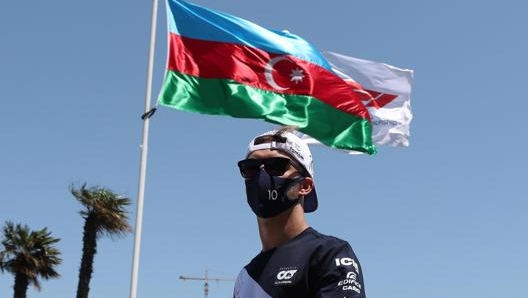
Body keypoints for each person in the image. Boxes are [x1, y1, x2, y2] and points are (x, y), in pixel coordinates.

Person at [233, 126, 366, 298]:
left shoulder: (328, 254)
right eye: (251, 167)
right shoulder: (244, 277)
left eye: (276, 166)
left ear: (304, 186)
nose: (261, 175)